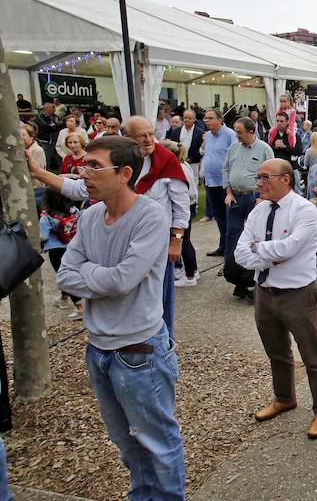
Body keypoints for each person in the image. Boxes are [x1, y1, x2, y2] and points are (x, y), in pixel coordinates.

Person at [56, 136, 185, 500]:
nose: (84, 173)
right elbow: (66, 275)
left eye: (95, 166)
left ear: (125, 173)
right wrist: (105, 276)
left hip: (139, 353)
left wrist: (93, 275)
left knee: (158, 441)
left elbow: (123, 280)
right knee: (125, 443)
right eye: (84, 165)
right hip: (98, 349)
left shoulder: (150, 216)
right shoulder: (91, 215)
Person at [31, 119, 189, 338]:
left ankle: (159, 343)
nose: (149, 139)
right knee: (120, 297)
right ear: (126, 139)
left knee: (152, 304)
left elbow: (181, 206)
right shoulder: (94, 207)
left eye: (151, 134)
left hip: (153, 244)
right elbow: (78, 188)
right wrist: (39, 173)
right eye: (141, 136)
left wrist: (176, 239)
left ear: (125, 174)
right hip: (115, 242)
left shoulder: (165, 163)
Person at [233, 158, 317, 438]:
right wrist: (267, 252)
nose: (259, 183)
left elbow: (289, 248)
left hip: (297, 294)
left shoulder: (303, 210)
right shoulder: (258, 211)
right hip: (265, 292)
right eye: (259, 177)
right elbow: (240, 254)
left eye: (265, 177)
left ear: (285, 179)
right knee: (276, 351)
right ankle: (284, 397)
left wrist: (259, 249)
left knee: (313, 355)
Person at [223, 117, 275, 299]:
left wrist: (263, 198)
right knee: (233, 236)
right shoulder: (234, 147)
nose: (236, 135)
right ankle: (236, 278)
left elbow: (272, 174)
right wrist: (228, 192)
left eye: (239, 132)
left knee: (256, 238)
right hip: (235, 197)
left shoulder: (264, 149)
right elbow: (226, 168)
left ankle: (253, 280)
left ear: (251, 131)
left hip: (255, 198)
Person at [161, 140, 199, 289]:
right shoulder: (184, 164)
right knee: (187, 241)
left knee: (183, 242)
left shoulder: (178, 168)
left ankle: (190, 275)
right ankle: (193, 270)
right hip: (189, 205)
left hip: (185, 207)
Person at [40, 189, 82, 319]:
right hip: (72, 247)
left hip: (56, 250)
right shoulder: (74, 210)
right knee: (69, 272)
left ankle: (80, 307)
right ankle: (63, 298)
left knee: (63, 275)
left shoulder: (47, 217)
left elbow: (43, 236)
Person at [202, 109, 237, 256]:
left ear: (220, 120)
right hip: (210, 182)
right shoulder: (207, 136)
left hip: (225, 184)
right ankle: (223, 246)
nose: (206, 120)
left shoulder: (230, 134)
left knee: (230, 218)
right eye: (205, 118)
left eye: (210, 118)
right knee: (219, 217)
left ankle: (231, 248)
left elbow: (235, 157)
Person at [166, 109, 203, 182]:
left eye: (189, 118)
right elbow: (172, 146)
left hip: (193, 163)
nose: (187, 120)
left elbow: (200, 149)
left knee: (193, 181)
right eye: (185, 118)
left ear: (194, 119)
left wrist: (191, 159)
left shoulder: (199, 132)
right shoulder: (176, 131)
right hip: (177, 161)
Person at [20, 124, 47, 209]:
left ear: (31, 137)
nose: (21, 137)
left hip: (35, 186)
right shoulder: (21, 149)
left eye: (23, 135)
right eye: (19, 135)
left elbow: (35, 170)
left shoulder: (37, 150)